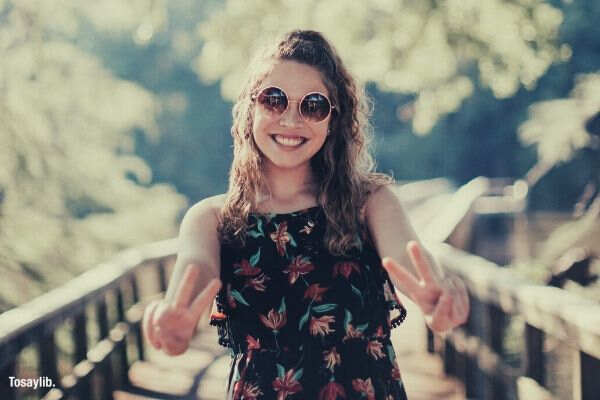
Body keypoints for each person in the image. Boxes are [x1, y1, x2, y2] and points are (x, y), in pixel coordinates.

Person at [143, 30, 469, 400]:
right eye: (274, 99)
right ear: (250, 109)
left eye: (312, 105)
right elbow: (193, 277)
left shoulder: (371, 203)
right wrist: (174, 326)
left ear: (334, 119)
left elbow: (410, 258)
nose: (291, 119)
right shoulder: (212, 219)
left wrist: (437, 300)